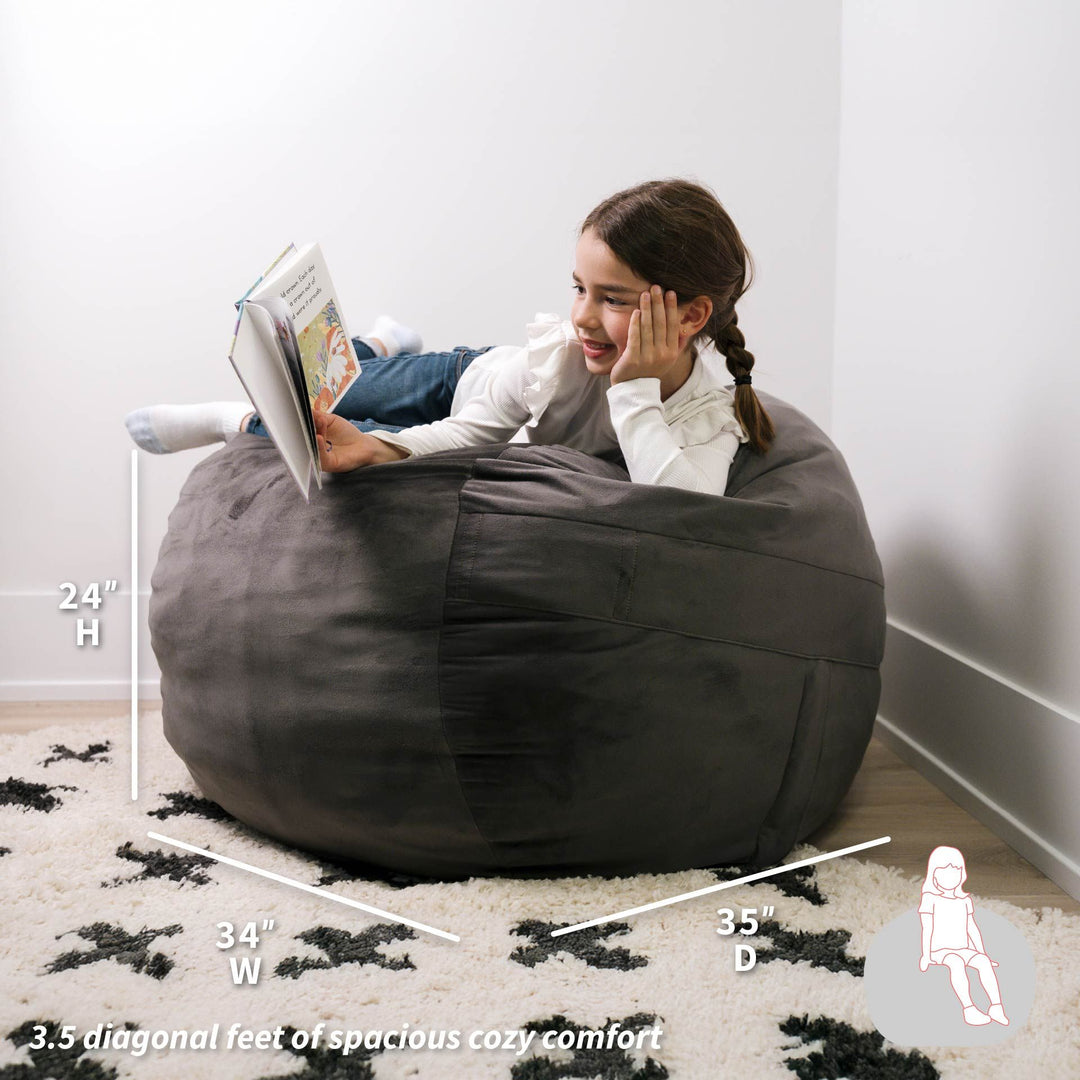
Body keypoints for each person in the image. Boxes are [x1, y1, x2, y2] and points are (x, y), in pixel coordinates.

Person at [126, 179, 774, 497]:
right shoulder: (560, 360)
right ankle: (366, 353)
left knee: (332, 428)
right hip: (464, 379)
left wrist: (634, 389)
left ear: (689, 317)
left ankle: (243, 416)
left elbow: (684, 505)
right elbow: (469, 431)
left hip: (490, 410)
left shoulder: (707, 414)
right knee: (325, 387)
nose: (581, 317)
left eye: (612, 300)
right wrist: (388, 449)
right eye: (580, 288)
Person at [918, 845, 1009, 1026]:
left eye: (956, 871)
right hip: (940, 950)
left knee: (982, 962)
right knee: (955, 962)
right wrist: (926, 955)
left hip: (963, 947)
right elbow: (927, 927)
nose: (951, 876)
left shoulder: (965, 901)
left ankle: (996, 1007)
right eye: (944, 872)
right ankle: (969, 1008)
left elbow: (972, 928)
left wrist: (983, 953)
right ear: (934, 875)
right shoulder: (931, 899)